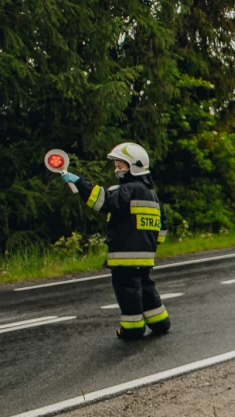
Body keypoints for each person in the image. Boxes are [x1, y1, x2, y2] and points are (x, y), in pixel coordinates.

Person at [60, 143, 171, 339]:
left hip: (124, 258)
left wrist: (79, 182)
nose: (116, 170)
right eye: (116, 166)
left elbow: (103, 200)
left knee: (128, 291)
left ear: (134, 166)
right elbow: (162, 228)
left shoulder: (128, 190)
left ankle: (132, 329)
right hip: (146, 257)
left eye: (120, 166)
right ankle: (160, 322)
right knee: (146, 287)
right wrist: (148, 244)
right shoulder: (152, 194)